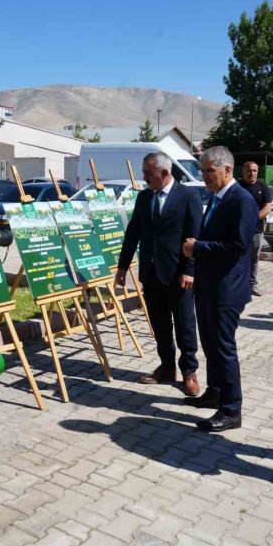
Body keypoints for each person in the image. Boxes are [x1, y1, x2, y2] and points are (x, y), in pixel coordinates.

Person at [182, 147, 258, 432]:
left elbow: (238, 247)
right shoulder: (216, 198)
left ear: (227, 169)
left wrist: (197, 248)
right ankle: (214, 392)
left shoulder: (241, 200)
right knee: (211, 344)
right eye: (202, 171)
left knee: (224, 348)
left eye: (209, 171)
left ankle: (230, 410)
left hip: (227, 289)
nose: (204, 177)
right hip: (209, 286)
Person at [116, 152, 204, 396]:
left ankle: (189, 371)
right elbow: (133, 233)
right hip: (151, 274)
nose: (144, 179)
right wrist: (123, 267)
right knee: (160, 324)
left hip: (179, 275)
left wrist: (190, 270)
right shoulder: (145, 197)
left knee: (185, 324)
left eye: (148, 174)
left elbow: (195, 236)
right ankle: (166, 367)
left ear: (165, 173)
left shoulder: (188, 196)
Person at [236, 161, 273, 297]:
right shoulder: (237, 186)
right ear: (243, 171)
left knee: (254, 258)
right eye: (249, 170)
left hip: (257, 230)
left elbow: (268, 207)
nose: (252, 173)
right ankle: (238, 284)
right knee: (238, 257)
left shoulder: (262, 186)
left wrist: (252, 218)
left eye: (255, 171)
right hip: (239, 230)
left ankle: (252, 285)